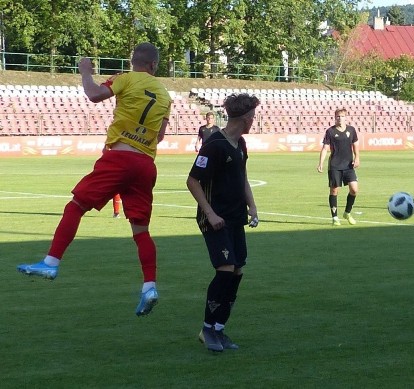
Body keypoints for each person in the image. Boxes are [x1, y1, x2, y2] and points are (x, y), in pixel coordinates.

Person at [16, 42, 172, 317]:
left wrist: (85, 71)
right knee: (141, 231)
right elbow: (159, 136)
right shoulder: (164, 94)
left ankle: (51, 262)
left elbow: (94, 94)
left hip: (120, 157)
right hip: (146, 164)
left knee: (75, 206)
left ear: (133, 61)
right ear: (154, 65)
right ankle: (149, 286)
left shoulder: (125, 78)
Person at [187, 93, 260, 352]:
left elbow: (243, 177)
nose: (254, 120)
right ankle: (207, 329)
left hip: (235, 217)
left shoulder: (240, 144)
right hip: (215, 218)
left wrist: (251, 206)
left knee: (237, 271)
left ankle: (219, 329)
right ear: (245, 118)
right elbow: (192, 180)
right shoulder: (214, 144)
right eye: (253, 116)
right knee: (226, 269)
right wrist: (210, 213)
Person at [316, 108, 360, 226]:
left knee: (354, 189)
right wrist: (321, 163)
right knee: (334, 190)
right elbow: (325, 148)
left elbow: (355, 144)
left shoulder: (351, 130)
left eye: (342, 116)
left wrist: (357, 158)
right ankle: (335, 217)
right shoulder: (330, 131)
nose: (340, 118)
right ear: (335, 118)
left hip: (349, 165)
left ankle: (347, 212)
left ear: (346, 117)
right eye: (338, 116)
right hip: (335, 165)